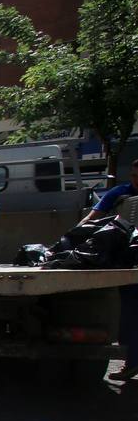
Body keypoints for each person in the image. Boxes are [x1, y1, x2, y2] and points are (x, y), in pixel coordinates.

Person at [83, 161, 138, 380]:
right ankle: (131, 362)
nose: (136, 179)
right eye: (134, 175)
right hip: (128, 266)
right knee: (130, 316)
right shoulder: (120, 194)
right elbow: (92, 218)